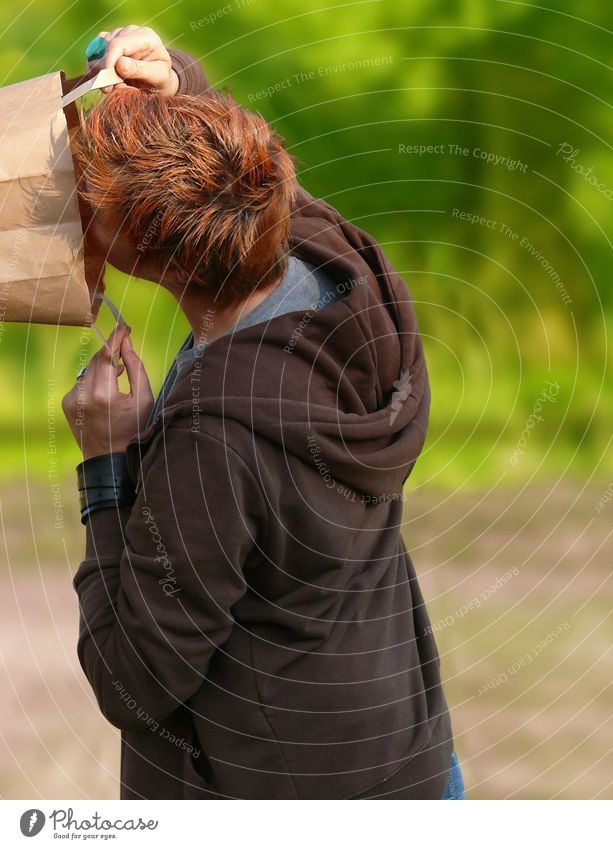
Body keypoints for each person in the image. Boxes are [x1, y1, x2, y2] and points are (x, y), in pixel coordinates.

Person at [60, 26, 466, 800]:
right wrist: (174, 80)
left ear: (147, 256)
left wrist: (106, 466)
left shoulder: (213, 441)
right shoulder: (343, 273)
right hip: (409, 768)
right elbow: (234, 176)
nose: (80, 209)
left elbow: (135, 684)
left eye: (94, 206)